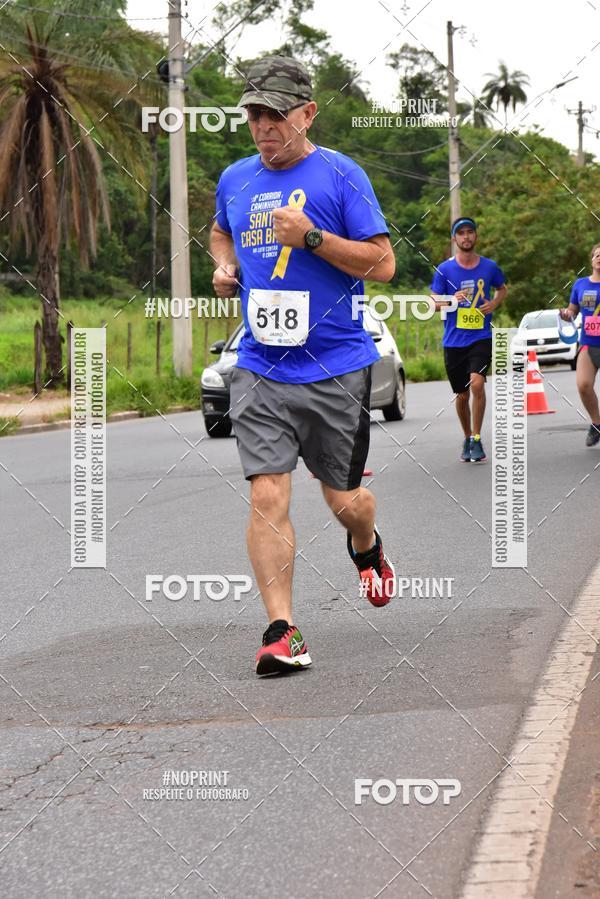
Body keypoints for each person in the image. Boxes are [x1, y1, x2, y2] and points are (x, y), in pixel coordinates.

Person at [210, 56, 396, 676]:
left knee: (347, 501)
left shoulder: (342, 176)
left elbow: (382, 264)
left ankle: (365, 547)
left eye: (274, 114)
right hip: (260, 364)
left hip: (337, 366)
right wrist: (227, 266)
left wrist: (311, 238)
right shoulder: (235, 178)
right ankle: (281, 631)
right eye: (253, 114)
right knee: (267, 492)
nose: (262, 126)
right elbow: (219, 233)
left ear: (307, 113)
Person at [430, 217, 508, 462]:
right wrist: (452, 299)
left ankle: (476, 437)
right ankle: (467, 437)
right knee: (462, 394)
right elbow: (432, 303)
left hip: (481, 337)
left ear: (476, 236)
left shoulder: (489, 267)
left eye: (470, 232)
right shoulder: (444, 270)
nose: (466, 237)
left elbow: (502, 288)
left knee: (477, 383)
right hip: (454, 340)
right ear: (454, 239)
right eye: (461, 233)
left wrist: (493, 304)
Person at [559, 242, 600, 446]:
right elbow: (572, 311)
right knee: (584, 385)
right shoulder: (580, 284)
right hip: (588, 343)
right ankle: (596, 424)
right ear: (591, 260)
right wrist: (566, 315)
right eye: (597, 255)